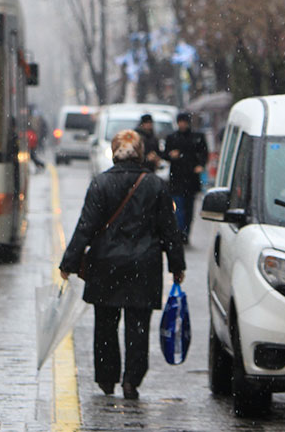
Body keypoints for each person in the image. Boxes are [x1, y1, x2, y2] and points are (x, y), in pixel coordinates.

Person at [59, 129, 185, 400]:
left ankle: (107, 379)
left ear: (115, 152)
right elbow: (169, 229)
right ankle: (132, 380)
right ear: (139, 153)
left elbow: (86, 227)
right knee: (138, 327)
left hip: (106, 265)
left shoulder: (100, 184)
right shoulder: (155, 185)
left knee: (105, 325)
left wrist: (69, 262)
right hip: (145, 264)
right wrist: (177, 265)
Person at [163, 111, 208, 244]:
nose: (182, 124)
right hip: (176, 179)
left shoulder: (197, 137)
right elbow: (165, 154)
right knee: (178, 208)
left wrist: (200, 165)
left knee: (189, 209)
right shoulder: (172, 138)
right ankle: (179, 231)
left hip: (191, 179)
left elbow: (204, 153)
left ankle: (186, 232)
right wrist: (171, 155)